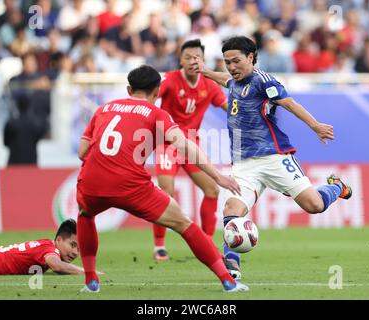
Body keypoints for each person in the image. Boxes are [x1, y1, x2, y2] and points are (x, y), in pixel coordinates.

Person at [76, 65, 248, 293]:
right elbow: (184, 145)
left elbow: (82, 151)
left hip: (91, 181)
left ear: (129, 89)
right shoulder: (157, 114)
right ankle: (228, 281)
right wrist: (217, 176)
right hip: (131, 185)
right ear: (157, 92)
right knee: (185, 224)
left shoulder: (103, 109)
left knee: (86, 215)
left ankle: (91, 282)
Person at [192, 36, 352, 279]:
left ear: (251, 57)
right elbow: (225, 80)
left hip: (274, 156)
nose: (232, 67)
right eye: (227, 62)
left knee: (314, 206)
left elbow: (288, 103)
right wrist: (205, 71)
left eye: (236, 61)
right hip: (243, 163)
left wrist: (315, 125)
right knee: (232, 208)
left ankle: (336, 187)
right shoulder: (234, 81)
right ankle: (232, 264)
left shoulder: (263, 81)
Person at [152, 39, 228, 261]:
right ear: (181, 61)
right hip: (167, 143)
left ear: (203, 60)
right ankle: (159, 246)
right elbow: (153, 95)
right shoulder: (171, 79)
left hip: (191, 146)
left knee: (212, 190)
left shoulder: (210, 84)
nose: (193, 61)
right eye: (188, 57)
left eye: (197, 57)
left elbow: (227, 107)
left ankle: (207, 241)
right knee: (165, 194)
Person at [0, 219, 85, 276]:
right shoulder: (49, 249)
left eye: (79, 249)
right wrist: (87, 272)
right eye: (72, 245)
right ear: (59, 240)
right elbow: (57, 266)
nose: (75, 253)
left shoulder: (46, 244)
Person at [3, 95, 46, 166]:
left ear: (17, 106)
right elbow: (39, 137)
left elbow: (5, 143)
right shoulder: (35, 124)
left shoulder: (11, 123)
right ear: (29, 106)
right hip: (31, 162)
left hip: (14, 162)